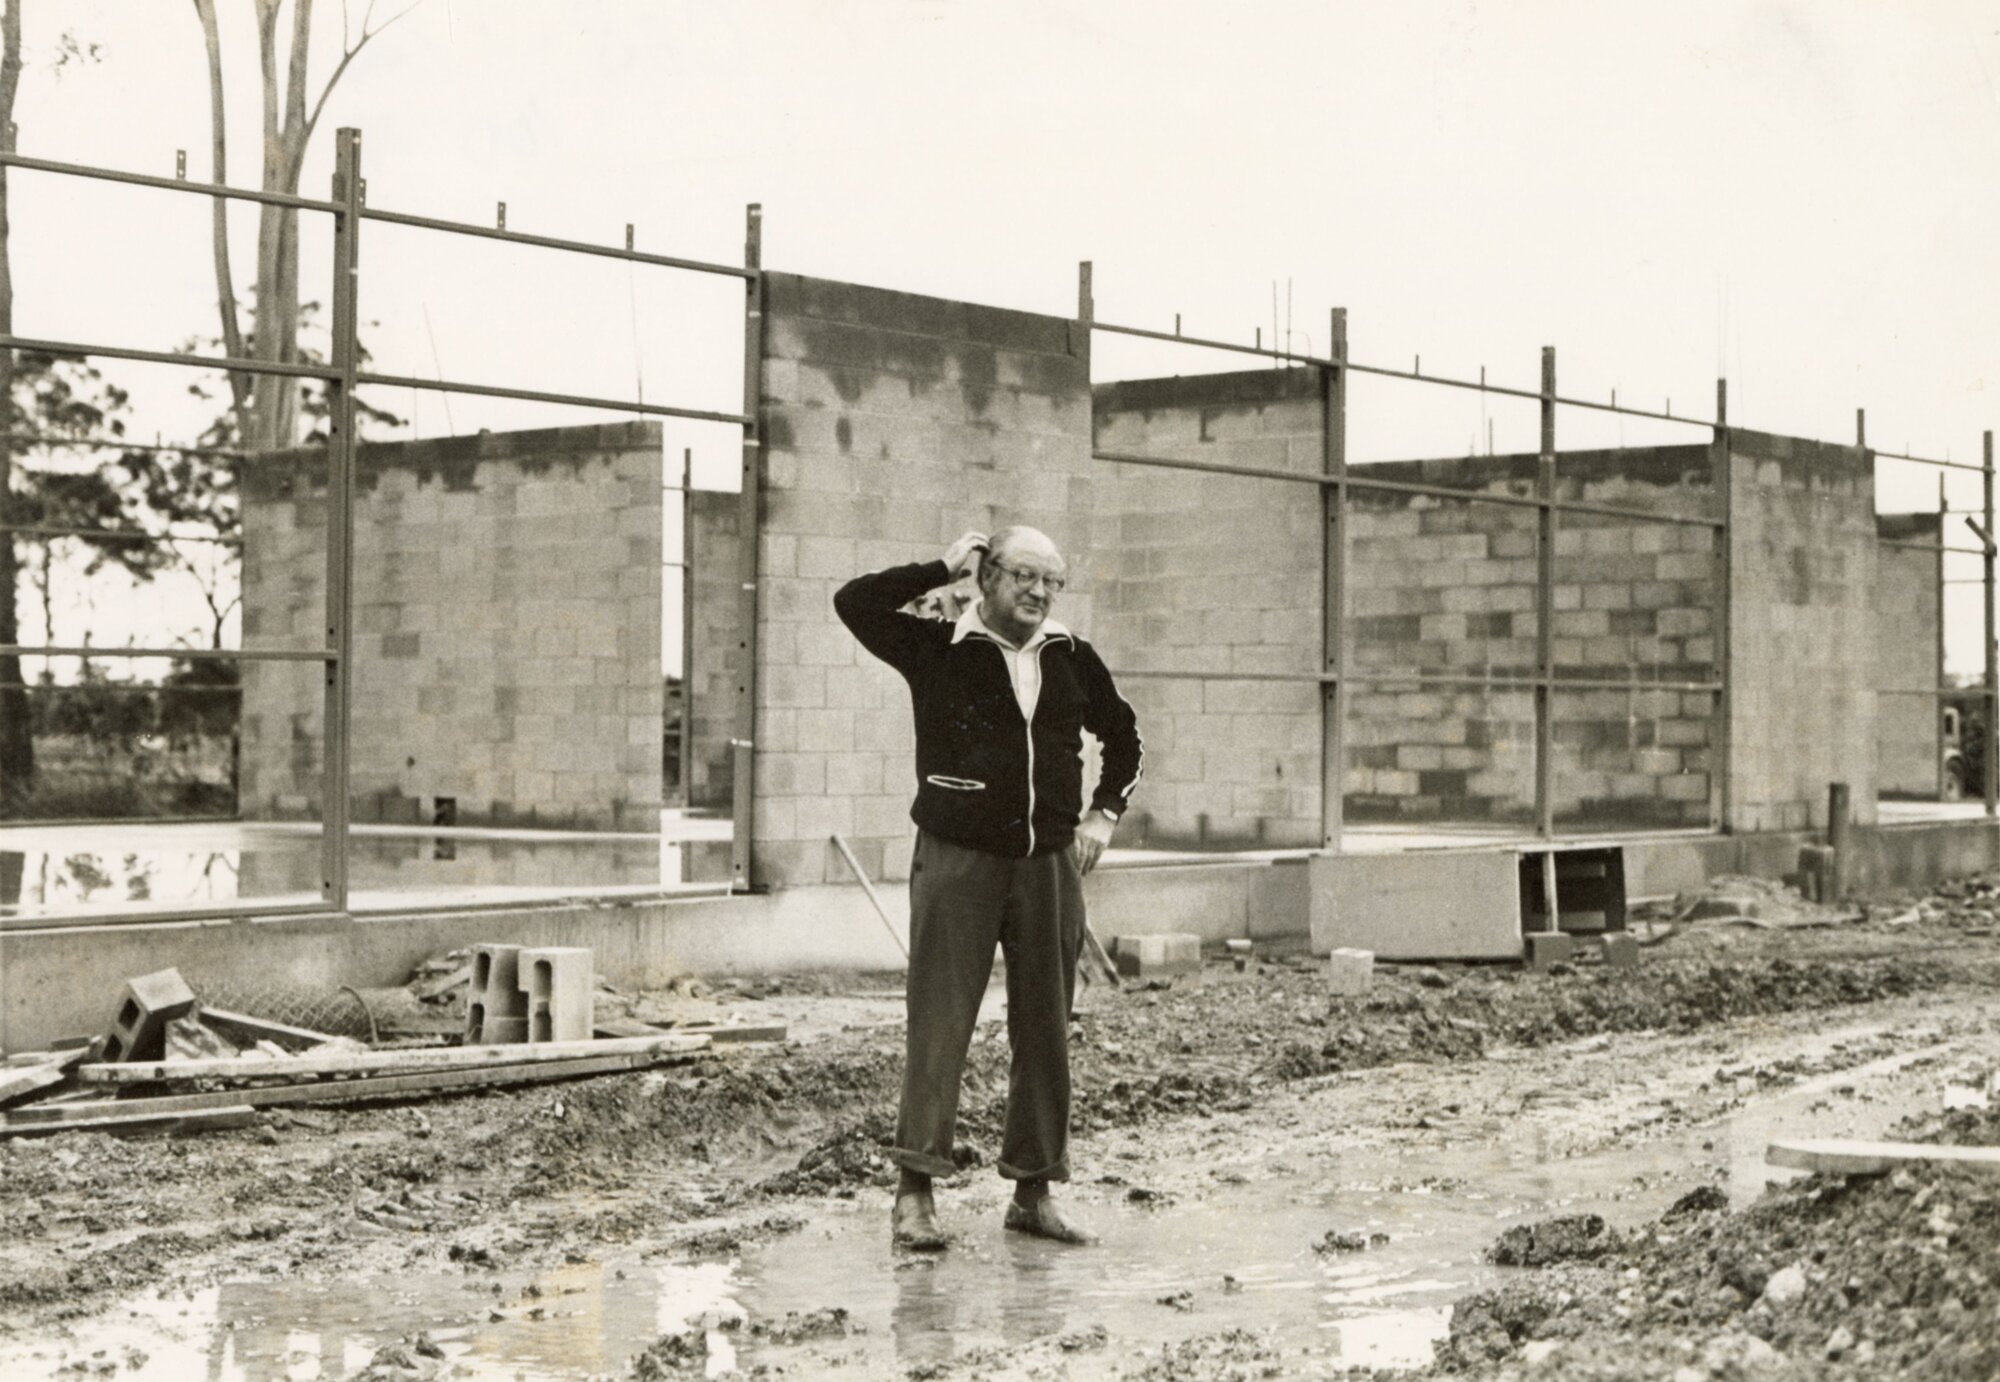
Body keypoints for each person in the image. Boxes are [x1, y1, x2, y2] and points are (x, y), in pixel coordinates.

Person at [834, 525, 1143, 1249]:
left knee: (1046, 1029)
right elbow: (854, 603)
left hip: (1049, 866)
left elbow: (1124, 733)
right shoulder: (936, 645)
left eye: (1051, 581)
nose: (1038, 593)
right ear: (986, 576)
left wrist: (1104, 814)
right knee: (940, 1025)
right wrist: (938, 563)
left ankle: (1033, 1192)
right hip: (957, 861)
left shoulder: (1071, 656)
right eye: (1023, 576)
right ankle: (914, 1195)